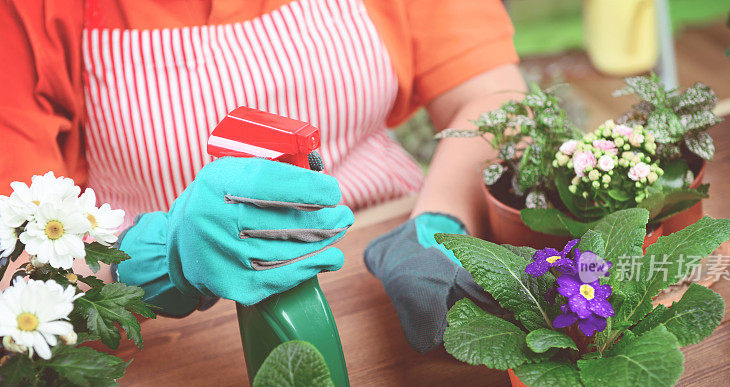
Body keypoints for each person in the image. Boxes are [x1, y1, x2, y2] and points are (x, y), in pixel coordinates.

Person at [0, 0, 527, 343]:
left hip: (384, 272)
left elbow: (492, 98)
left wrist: (439, 225)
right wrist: (148, 260)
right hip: (164, 329)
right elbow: (16, 269)